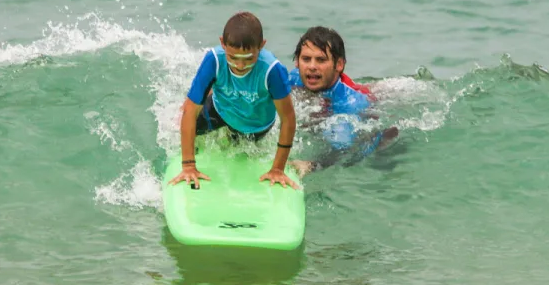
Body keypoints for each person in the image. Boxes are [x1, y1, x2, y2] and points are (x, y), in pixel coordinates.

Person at [168, 12, 299, 190]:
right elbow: (190, 113)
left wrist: (277, 169)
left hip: (255, 124)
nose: (240, 65)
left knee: (235, 148)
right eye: (232, 57)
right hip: (219, 109)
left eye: (249, 59)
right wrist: (188, 166)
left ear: (262, 46)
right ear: (222, 43)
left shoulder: (272, 70)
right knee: (182, 120)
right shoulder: (214, 59)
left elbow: (288, 119)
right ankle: (209, 90)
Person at [287, 26, 399, 176]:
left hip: (378, 108)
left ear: (339, 64)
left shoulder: (348, 105)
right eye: (306, 59)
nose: (312, 66)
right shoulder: (293, 78)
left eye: (321, 60)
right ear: (297, 62)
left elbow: (343, 151)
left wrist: (312, 165)